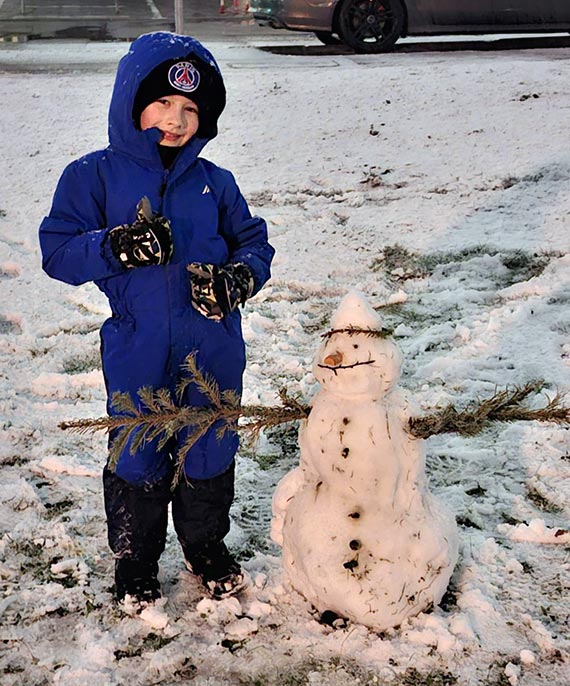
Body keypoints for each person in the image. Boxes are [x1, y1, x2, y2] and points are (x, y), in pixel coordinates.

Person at [39, 32, 274, 603]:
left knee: (210, 444)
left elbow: (254, 244)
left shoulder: (214, 182)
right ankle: (136, 559)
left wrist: (238, 278)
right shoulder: (92, 176)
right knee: (138, 448)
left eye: (190, 108)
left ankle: (205, 546)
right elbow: (58, 251)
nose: (175, 119)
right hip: (137, 345)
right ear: (130, 103)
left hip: (214, 347)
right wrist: (116, 246)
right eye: (163, 102)